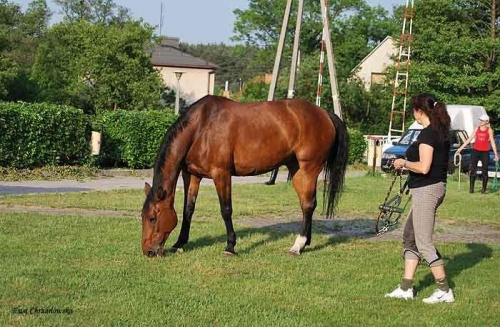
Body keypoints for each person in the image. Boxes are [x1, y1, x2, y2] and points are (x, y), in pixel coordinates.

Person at [385, 93, 454, 304]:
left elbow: (424, 167)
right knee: (410, 237)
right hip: (430, 188)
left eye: (413, 110)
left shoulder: (427, 134)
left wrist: (402, 163)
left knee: (423, 243)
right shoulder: (440, 132)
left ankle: (444, 290)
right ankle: (406, 288)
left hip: (427, 190)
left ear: (419, 111)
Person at [456, 114, 499, 193]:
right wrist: (460, 148)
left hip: (485, 151)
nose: (481, 122)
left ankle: (483, 190)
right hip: (475, 150)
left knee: (484, 170)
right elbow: (469, 139)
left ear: (486, 121)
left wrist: (496, 154)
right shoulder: (477, 129)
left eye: (482, 121)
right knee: (473, 169)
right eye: (481, 120)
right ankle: (471, 189)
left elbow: (492, 142)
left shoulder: (489, 130)